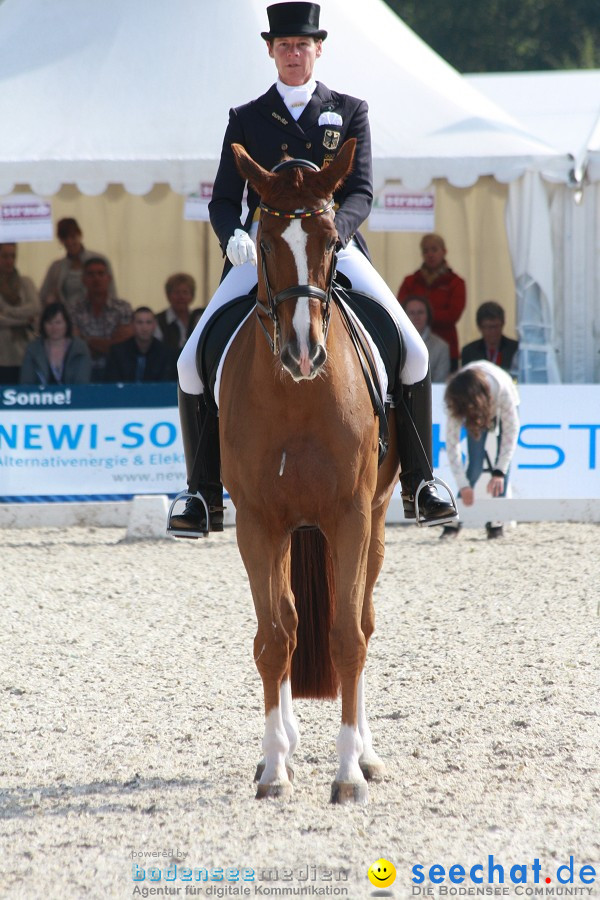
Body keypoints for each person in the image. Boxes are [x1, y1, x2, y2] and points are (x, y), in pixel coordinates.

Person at [170, 1, 457, 536]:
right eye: (284, 47)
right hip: (267, 253)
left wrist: (337, 235)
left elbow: (362, 191)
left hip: (335, 247)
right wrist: (232, 235)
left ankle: (421, 481)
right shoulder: (247, 117)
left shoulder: (349, 109)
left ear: (318, 49)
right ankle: (201, 493)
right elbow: (223, 198)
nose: (294, 54)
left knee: (413, 351)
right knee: (190, 362)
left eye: (302, 46)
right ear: (271, 52)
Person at [440, 360, 520, 540]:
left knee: (502, 475)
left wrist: (499, 470)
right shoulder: (458, 395)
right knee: (474, 466)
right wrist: (464, 485)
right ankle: (453, 521)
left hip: (500, 401)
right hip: (478, 401)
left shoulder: (503, 390)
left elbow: (511, 431)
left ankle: (496, 523)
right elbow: (452, 444)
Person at [397, 233, 466, 372]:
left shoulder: (456, 282)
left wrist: (421, 316)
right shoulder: (410, 281)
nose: (430, 254)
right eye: (425, 250)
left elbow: (453, 315)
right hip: (412, 345)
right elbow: (400, 312)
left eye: (434, 249)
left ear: (444, 251)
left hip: (445, 346)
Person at [71, 257, 133, 382]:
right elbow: (75, 346)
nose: (96, 279)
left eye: (100, 273)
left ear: (109, 278)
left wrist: (87, 341)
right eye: (91, 274)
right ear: (83, 280)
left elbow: (121, 348)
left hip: (118, 372)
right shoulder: (74, 309)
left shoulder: (123, 308)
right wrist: (109, 343)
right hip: (82, 372)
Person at [39, 218, 117, 314]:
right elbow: (42, 296)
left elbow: (112, 292)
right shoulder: (56, 267)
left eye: (73, 237)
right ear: (61, 240)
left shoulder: (100, 260)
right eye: (65, 238)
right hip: (67, 318)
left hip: (97, 315)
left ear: (80, 235)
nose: (69, 242)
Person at [20, 302, 91, 385]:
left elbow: (82, 382)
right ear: (43, 325)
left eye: (58, 322)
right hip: (41, 396)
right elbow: (26, 383)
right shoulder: (32, 349)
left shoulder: (80, 348)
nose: (54, 327)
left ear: (67, 324)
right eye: (49, 323)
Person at [0, 243, 40, 384]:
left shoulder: (26, 283)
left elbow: (35, 308)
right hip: (3, 354)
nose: (9, 260)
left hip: (25, 351)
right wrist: (23, 320)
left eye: (13, 256)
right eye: (5, 256)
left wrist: (7, 311)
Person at [105, 307, 177, 383]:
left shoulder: (167, 353)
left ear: (155, 325)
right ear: (132, 325)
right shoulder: (117, 352)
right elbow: (112, 384)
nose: (144, 328)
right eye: (139, 322)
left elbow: (166, 385)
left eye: (148, 322)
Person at [402, 295, 450, 383]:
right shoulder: (395, 344)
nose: (416, 316)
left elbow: (439, 382)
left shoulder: (441, 347)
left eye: (420, 312)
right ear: (403, 315)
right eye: (412, 313)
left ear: (428, 315)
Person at [461, 300, 519, 372]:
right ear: (479, 327)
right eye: (488, 327)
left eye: (496, 326)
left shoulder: (515, 349)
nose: (493, 331)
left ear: (503, 324)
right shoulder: (469, 351)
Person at [154, 273, 203, 357]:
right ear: (168, 295)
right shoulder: (158, 320)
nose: (181, 297)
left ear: (192, 296)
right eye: (177, 292)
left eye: (185, 292)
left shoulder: (199, 319)